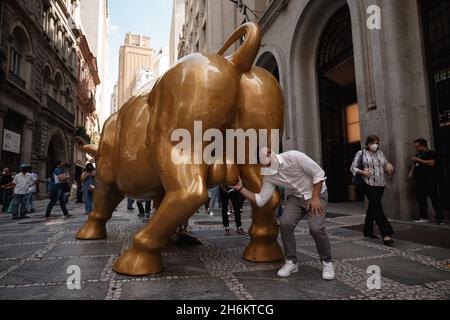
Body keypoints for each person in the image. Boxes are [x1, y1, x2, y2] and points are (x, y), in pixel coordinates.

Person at [232, 148, 335, 280]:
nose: (267, 166)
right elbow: (261, 200)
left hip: (316, 194)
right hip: (296, 198)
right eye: (264, 164)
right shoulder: (269, 175)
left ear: (271, 153)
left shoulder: (294, 156)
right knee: (285, 223)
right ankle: (291, 262)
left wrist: (315, 198)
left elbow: (319, 174)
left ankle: (327, 262)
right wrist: (241, 189)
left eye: (268, 161)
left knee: (316, 229)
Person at [351, 135, 395, 246]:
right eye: (373, 143)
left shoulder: (380, 153)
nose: (376, 145)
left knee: (373, 206)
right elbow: (353, 167)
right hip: (367, 183)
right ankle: (386, 234)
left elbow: (385, 164)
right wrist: (363, 172)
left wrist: (389, 165)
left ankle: (367, 231)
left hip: (381, 183)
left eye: (377, 143)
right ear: (367, 144)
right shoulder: (361, 153)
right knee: (377, 207)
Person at [409, 138, 444, 225]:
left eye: (417, 147)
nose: (416, 149)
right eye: (415, 147)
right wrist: (411, 172)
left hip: (430, 180)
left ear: (423, 145)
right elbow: (415, 164)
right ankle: (423, 217)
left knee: (434, 198)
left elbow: (432, 163)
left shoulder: (431, 153)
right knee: (421, 199)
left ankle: (440, 218)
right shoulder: (418, 154)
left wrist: (418, 160)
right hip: (419, 181)